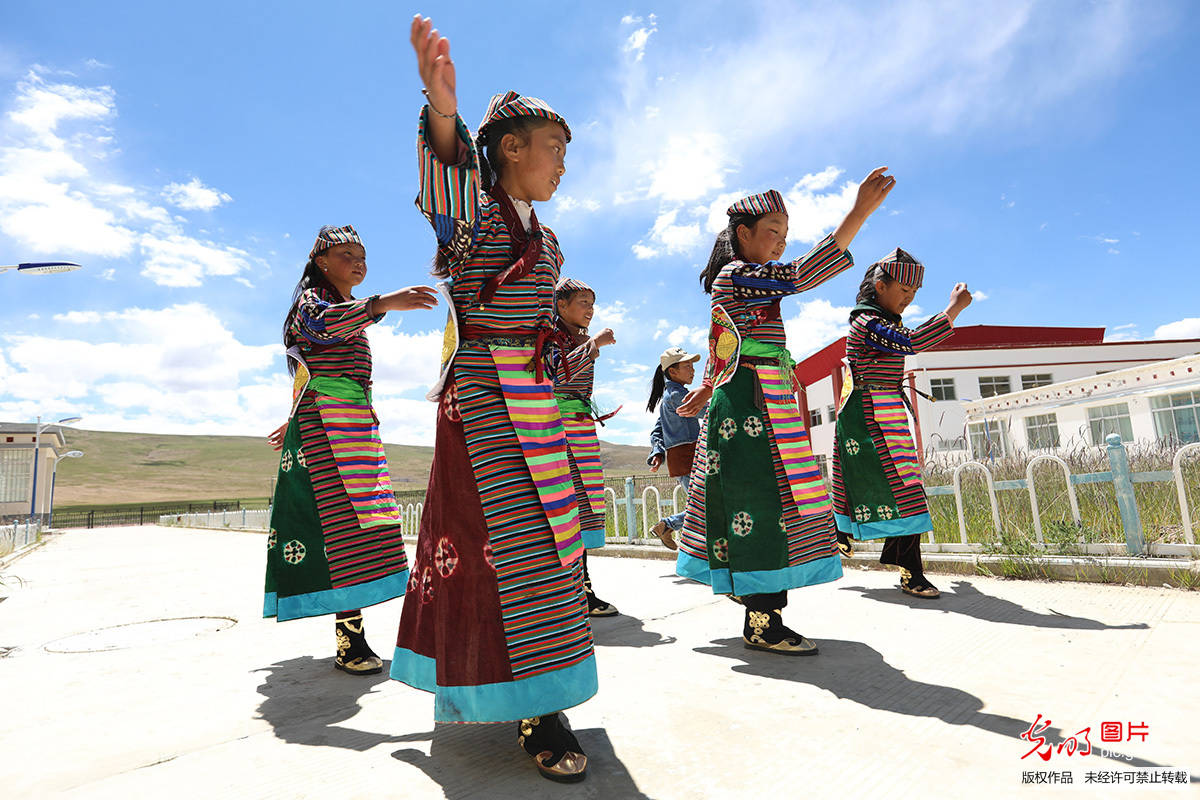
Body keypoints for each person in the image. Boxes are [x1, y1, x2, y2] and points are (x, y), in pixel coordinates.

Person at [391, 16, 594, 783]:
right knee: (493, 546)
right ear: (511, 147)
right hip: (480, 403)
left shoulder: (549, 242)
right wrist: (442, 110)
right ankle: (520, 702)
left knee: (552, 544)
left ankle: (546, 699)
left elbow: (543, 329)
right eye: (556, 149)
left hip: (534, 401)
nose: (563, 166)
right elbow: (442, 185)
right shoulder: (474, 216)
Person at [675, 171, 893, 656]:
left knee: (775, 503)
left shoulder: (748, 287)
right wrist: (858, 213)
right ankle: (761, 619)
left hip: (763, 396)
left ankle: (756, 600)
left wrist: (709, 386)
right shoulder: (738, 275)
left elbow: (724, 346)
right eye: (773, 230)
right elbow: (796, 276)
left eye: (785, 233)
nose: (780, 241)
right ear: (743, 235)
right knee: (763, 504)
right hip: (752, 404)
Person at [264, 224, 436, 676]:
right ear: (320, 262)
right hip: (329, 430)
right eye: (346, 254)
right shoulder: (313, 304)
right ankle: (349, 637)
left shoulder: (346, 308)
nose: (358, 262)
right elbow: (321, 328)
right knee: (340, 528)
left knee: (367, 526)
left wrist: (296, 413)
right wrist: (382, 304)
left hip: (354, 425)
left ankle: (355, 631)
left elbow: (317, 368)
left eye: (362, 254)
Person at [831, 248, 971, 598]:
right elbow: (912, 342)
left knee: (898, 485)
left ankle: (848, 536)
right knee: (904, 488)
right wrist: (952, 309)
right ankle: (909, 571)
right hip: (867, 416)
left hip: (885, 409)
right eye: (903, 291)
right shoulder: (866, 322)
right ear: (880, 286)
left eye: (913, 294)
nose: (908, 299)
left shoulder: (884, 322)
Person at [551, 276, 619, 617]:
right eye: (583, 303)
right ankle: (572, 592)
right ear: (561, 305)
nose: (590, 310)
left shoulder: (574, 336)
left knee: (582, 509)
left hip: (580, 428)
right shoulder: (550, 336)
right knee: (563, 508)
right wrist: (593, 345)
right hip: (558, 430)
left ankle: (582, 589)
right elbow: (555, 375)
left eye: (592, 304)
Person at [646, 346, 702, 550]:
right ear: (673, 371)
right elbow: (707, 411)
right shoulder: (677, 395)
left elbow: (657, 430)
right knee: (703, 506)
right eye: (687, 366)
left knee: (704, 505)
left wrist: (658, 453)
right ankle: (667, 525)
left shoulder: (671, 396)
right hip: (689, 458)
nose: (693, 370)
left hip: (685, 458)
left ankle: (667, 527)